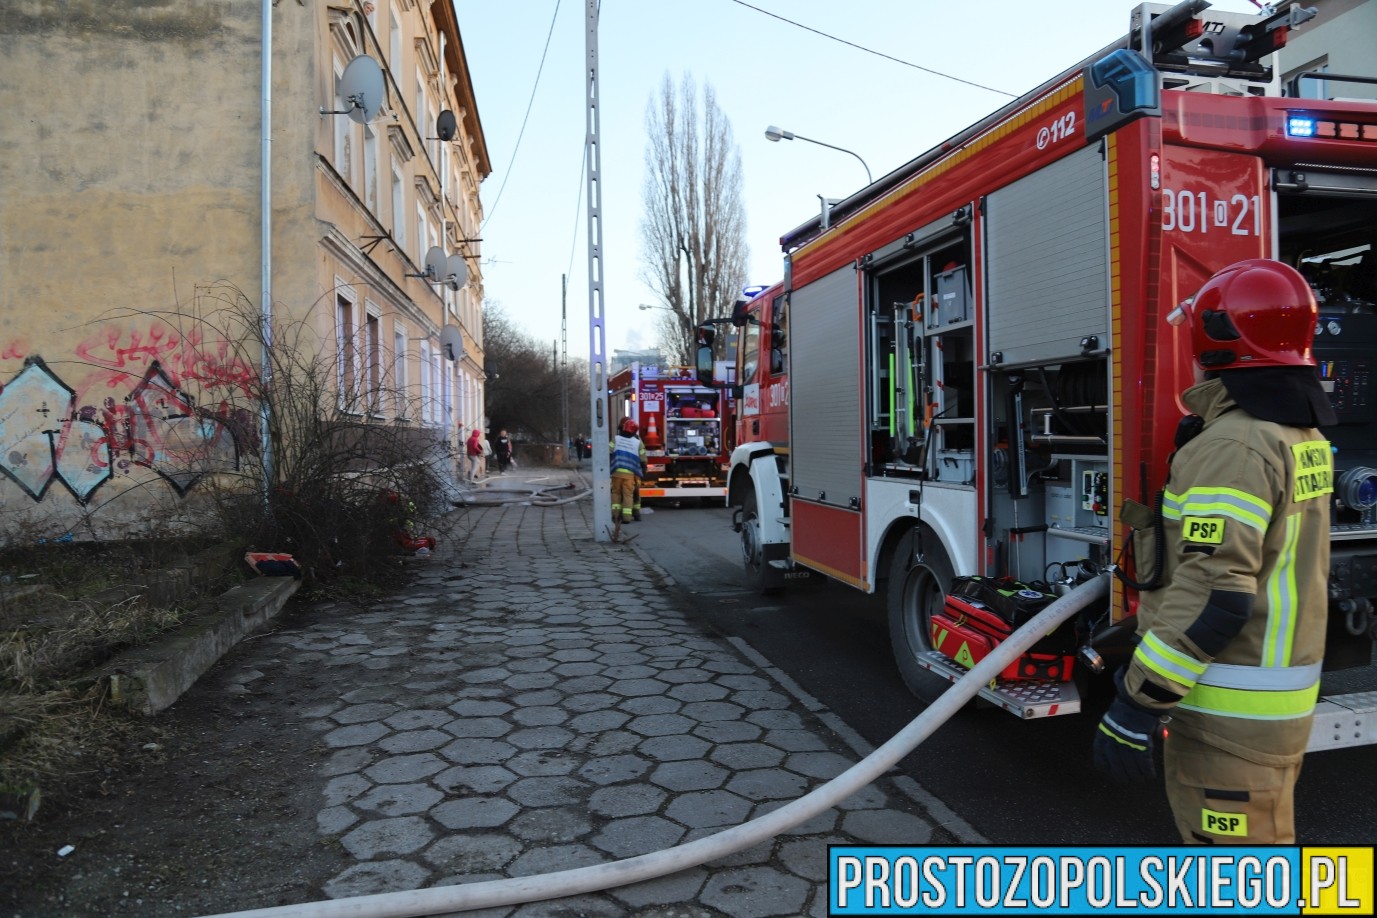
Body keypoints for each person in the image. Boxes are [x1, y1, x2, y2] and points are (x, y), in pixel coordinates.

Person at [1093, 259, 1336, 844]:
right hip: (1269, 710)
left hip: (1229, 718)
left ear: (1217, 337)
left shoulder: (1236, 446)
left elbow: (1216, 597)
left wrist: (1139, 702)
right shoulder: (1297, 433)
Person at [609, 417, 644, 530]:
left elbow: (608, 452)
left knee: (616, 494)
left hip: (616, 473)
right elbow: (643, 458)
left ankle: (615, 516)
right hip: (631, 474)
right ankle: (627, 517)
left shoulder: (616, 439)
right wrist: (644, 470)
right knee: (629, 495)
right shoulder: (638, 442)